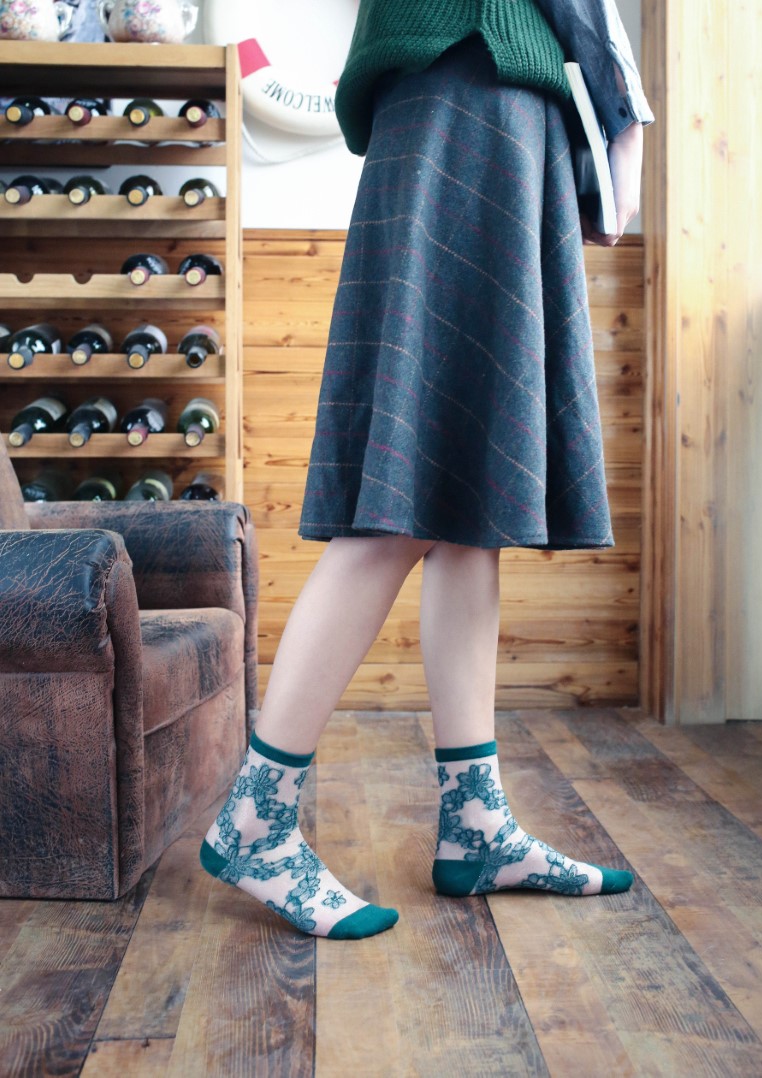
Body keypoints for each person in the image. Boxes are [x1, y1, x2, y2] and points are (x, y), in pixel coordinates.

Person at [200, 0, 655, 940]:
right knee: (405, 502)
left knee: (467, 510)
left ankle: (476, 826)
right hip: (472, 106)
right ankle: (254, 823)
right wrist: (626, 128)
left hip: (471, 112)